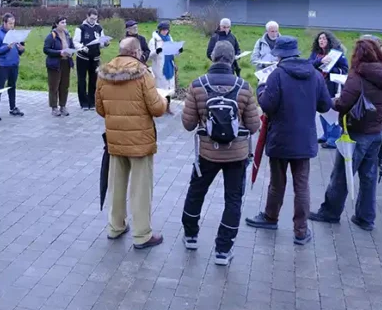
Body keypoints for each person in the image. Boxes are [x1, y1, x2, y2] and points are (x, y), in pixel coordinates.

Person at [181, 41, 261, 266]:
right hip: (236, 155)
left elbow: (188, 124)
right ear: (233, 59)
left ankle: (191, 236)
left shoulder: (198, 85)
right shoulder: (244, 86)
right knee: (233, 200)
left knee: (196, 192)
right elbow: (254, 126)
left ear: (212, 58)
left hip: (207, 153)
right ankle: (223, 250)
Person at [246, 36, 332, 245]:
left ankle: (270, 217)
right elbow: (325, 105)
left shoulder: (276, 75)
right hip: (305, 139)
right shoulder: (315, 74)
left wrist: (260, 88)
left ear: (279, 55)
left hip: (280, 138)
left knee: (277, 182)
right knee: (302, 185)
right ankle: (301, 231)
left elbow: (267, 105)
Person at [309, 38, 382, 231]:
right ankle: (366, 217)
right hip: (377, 131)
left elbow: (344, 104)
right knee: (369, 177)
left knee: (341, 175)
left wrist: (332, 102)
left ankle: (331, 212)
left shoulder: (358, 75)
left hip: (356, 133)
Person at [95, 37, 167, 250]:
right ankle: (142, 234)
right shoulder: (143, 74)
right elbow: (157, 109)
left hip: (115, 140)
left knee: (116, 185)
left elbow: (100, 109)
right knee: (140, 188)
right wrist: (165, 100)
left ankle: (115, 226)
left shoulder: (104, 73)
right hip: (140, 141)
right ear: (136, 53)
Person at [308, 31, 349, 149]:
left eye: (324, 39)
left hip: (331, 86)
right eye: (320, 38)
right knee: (322, 111)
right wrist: (320, 61)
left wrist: (330, 69)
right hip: (317, 86)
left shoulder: (337, 54)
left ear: (330, 41)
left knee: (332, 111)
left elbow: (345, 69)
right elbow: (308, 64)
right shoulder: (315, 53)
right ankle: (326, 135)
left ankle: (333, 139)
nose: (321, 41)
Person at [0, 13, 25, 121]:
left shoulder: (15, 34)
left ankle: (13, 107)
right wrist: (7, 48)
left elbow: (20, 49)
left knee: (12, 86)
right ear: (4, 23)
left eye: (13, 23)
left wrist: (21, 49)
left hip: (14, 64)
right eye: (10, 23)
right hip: (3, 65)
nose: (12, 26)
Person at [73, 8, 109, 111]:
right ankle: (83, 103)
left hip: (95, 58)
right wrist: (82, 47)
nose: (93, 21)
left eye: (95, 19)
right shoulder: (81, 28)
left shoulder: (99, 28)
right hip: (83, 58)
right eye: (92, 18)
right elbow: (75, 42)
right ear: (87, 17)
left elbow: (101, 43)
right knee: (82, 80)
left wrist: (105, 43)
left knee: (93, 80)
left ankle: (92, 102)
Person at [43, 17, 75, 116]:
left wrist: (71, 52)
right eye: (62, 22)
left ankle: (63, 106)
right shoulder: (51, 36)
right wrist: (59, 53)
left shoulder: (67, 34)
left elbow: (72, 47)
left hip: (66, 63)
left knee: (64, 86)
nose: (64, 24)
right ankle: (54, 107)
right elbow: (46, 50)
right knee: (54, 86)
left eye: (65, 22)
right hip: (55, 64)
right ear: (57, 24)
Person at [149, 21, 180, 114]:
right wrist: (156, 51)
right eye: (163, 30)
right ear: (159, 30)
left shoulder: (170, 38)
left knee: (169, 87)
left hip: (169, 64)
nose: (165, 32)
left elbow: (173, 50)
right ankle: (159, 107)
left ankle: (168, 107)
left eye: (166, 30)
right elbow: (150, 55)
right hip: (159, 67)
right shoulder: (154, 40)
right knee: (160, 89)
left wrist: (178, 50)